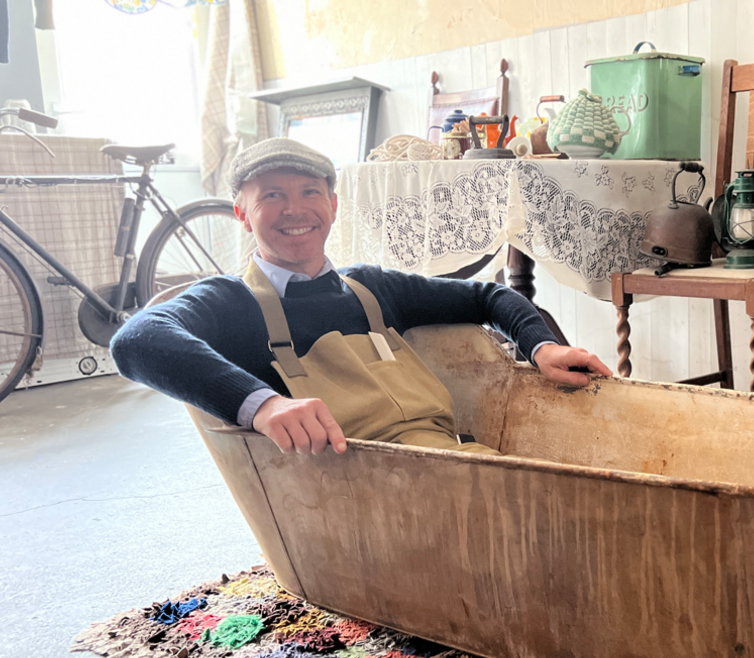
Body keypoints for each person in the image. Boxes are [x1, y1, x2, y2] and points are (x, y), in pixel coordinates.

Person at [111, 138, 609, 456]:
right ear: (242, 213)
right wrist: (260, 405)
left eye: (309, 192)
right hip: (346, 497)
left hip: (454, 463)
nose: (294, 210)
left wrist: (542, 347)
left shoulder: (371, 288)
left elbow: (488, 296)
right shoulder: (231, 302)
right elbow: (136, 340)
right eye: (271, 196)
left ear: (332, 204)